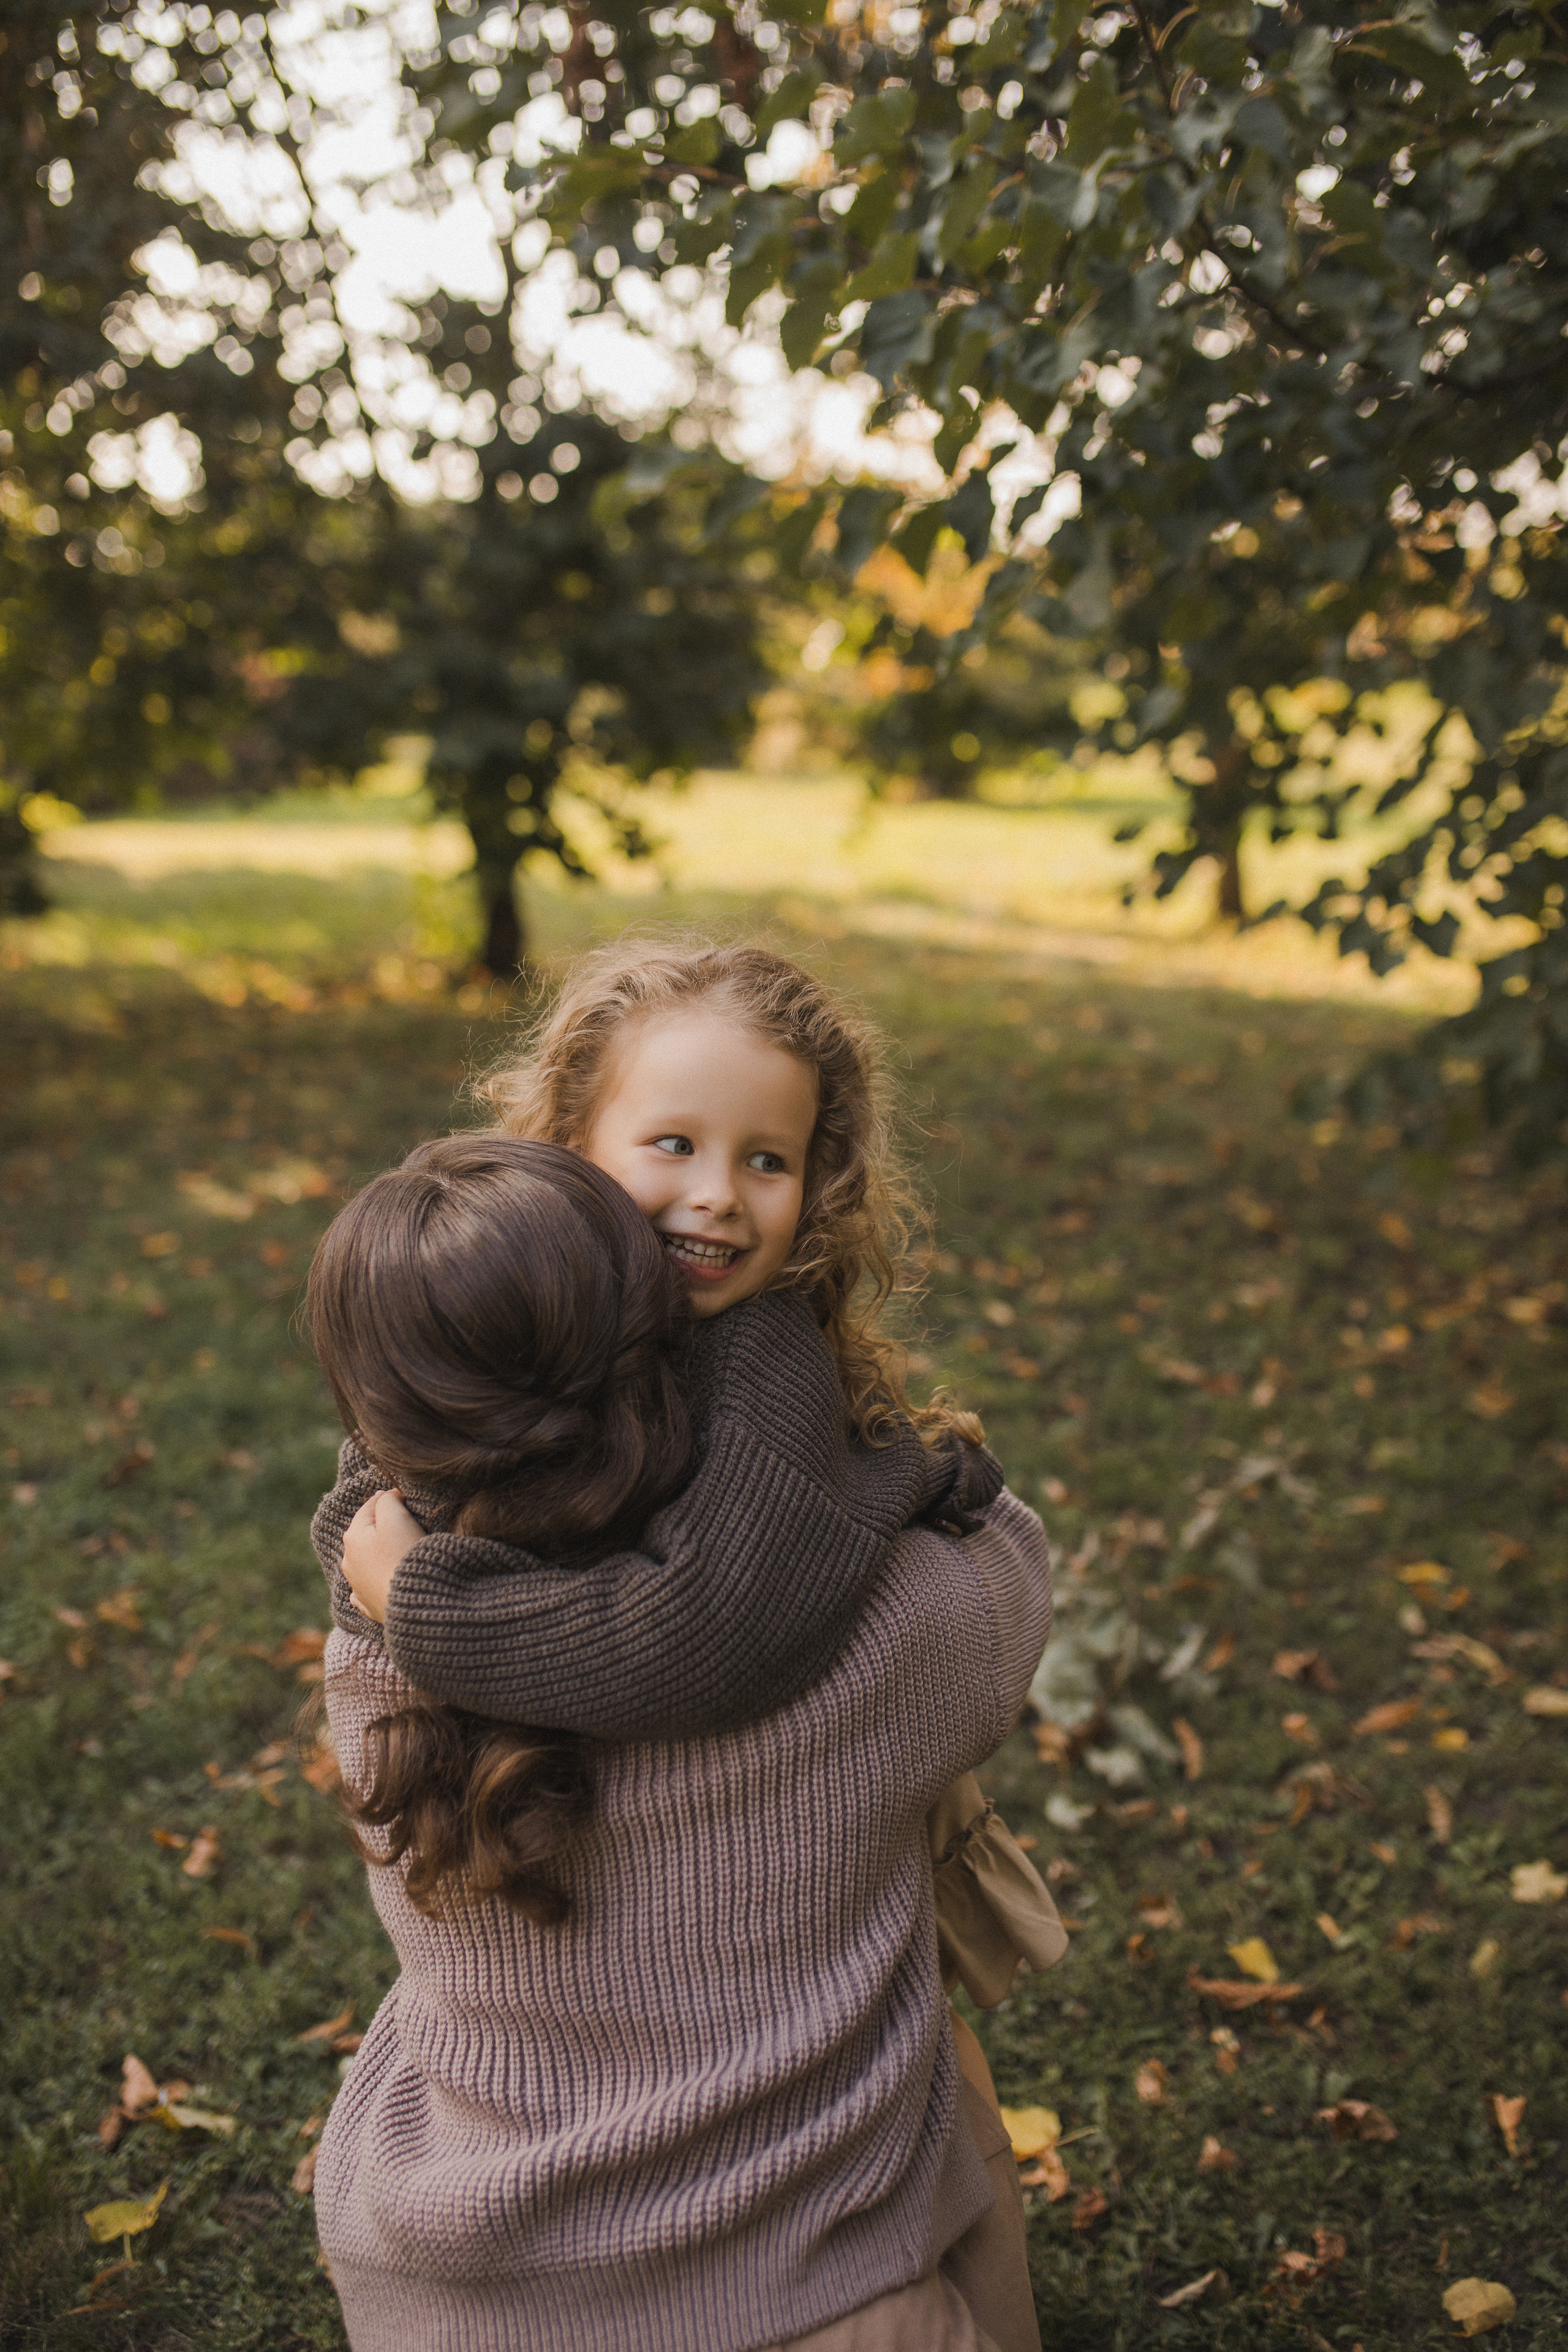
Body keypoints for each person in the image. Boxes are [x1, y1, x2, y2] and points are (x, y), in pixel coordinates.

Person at [312, 945, 1061, 2348]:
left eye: (765, 1161)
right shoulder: (514, 1304)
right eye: (672, 1144)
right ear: (562, 1145)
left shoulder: (757, 1362)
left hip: (463, 2250)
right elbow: (381, 1484)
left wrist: (416, 1605)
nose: (716, 1194)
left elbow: (696, 1634)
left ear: (817, 1187)